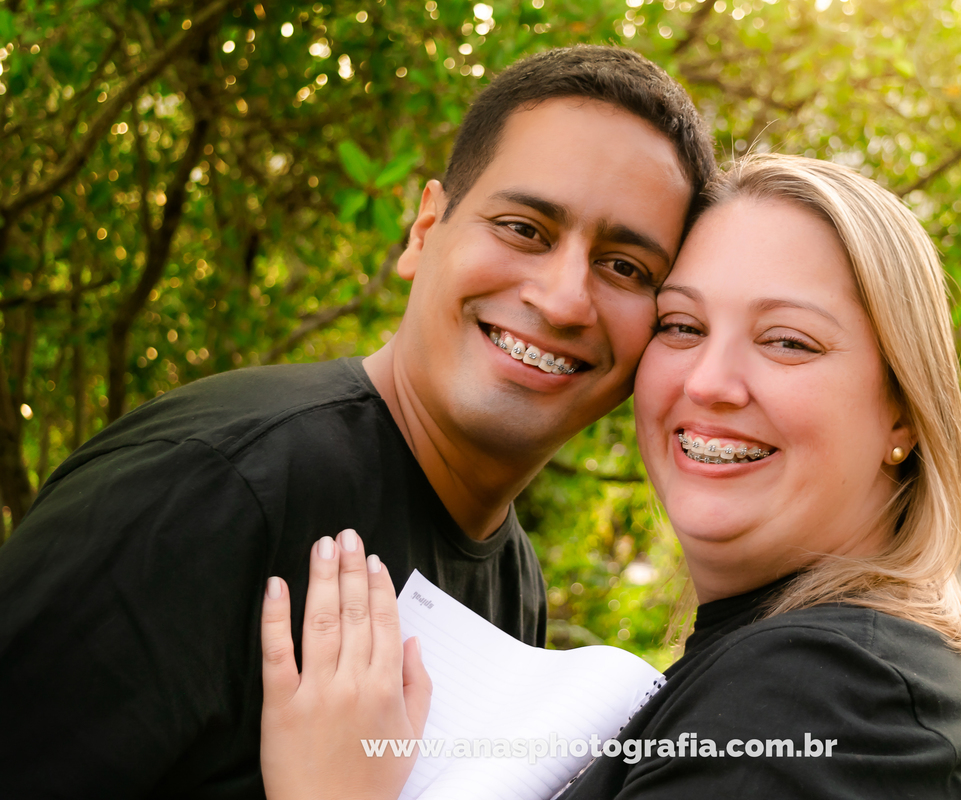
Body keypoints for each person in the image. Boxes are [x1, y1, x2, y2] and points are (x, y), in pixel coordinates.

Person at [0, 46, 716, 798]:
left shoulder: (512, 580)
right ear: (424, 230)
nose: (566, 299)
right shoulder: (210, 490)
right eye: (524, 229)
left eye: (626, 268)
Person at [261, 155, 961, 798]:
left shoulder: (832, 694)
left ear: (903, 414)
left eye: (787, 341)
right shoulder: (794, 663)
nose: (711, 382)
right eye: (681, 326)